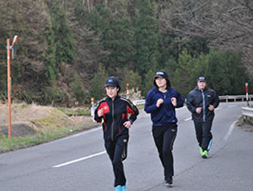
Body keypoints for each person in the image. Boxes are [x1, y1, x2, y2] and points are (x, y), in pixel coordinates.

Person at [94, 76, 139, 191]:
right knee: (114, 162)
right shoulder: (102, 104)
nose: (110, 90)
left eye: (112, 88)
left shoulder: (124, 102)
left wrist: (130, 121)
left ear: (117, 89)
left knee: (117, 160)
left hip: (121, 134)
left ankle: (119, 185)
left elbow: (135, 112)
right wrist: (98, 115)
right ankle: (122, 180)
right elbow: (97, 119)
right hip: (108, 137)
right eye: (108, 88)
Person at [144, 71, 184, 187]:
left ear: (166, 80)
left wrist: (176, 103)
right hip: (157, 126)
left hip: (170, 125)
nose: (159, 81)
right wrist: (156, 105)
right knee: (161, 152)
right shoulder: (152, 93)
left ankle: (169, 176)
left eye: (161, 79)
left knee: (166, 149)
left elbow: (181, 102)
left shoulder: (173, 92)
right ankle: (167, 169)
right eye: (157, 79)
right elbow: (147, 109)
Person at [186, 77, 219, 158]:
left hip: (208, 116)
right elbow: (188, 104)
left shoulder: (211, 92)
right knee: (199, 134)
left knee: (206, 132)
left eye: (203, 82)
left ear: (206, 83)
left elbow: (216, 101)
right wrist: (195, 109)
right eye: (200, 82)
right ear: (197, 83)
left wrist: (213, 106)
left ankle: (205, 150)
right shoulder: (192, 93)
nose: (202, 84)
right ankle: (201, 145)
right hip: (197, 117)